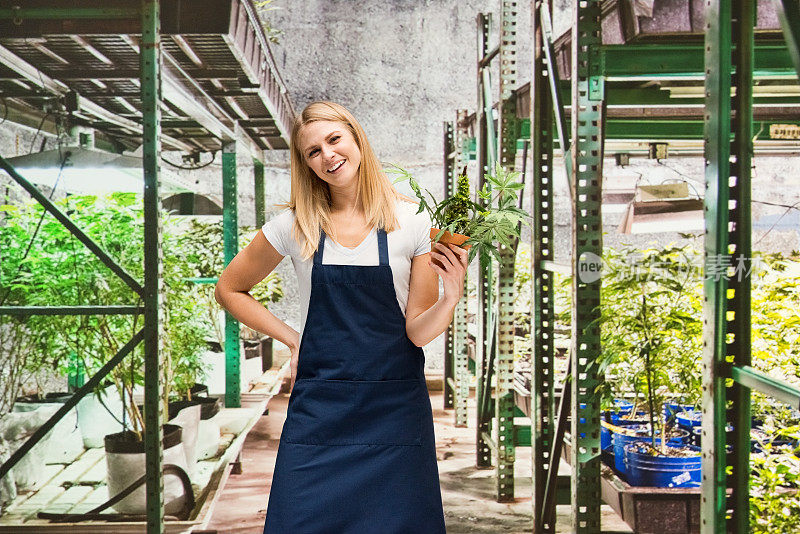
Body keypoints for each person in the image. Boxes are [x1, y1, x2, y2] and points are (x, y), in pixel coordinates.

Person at [214, 100, 467, 533]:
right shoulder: (295, 225)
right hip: (321, 405)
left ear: (356, 140)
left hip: (394, 409)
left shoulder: (412, 221)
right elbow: (229, 289)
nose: (328, 156)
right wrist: (294, 339)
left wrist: (451, 298)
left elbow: (417, 330)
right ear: (305, 164)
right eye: (313, 151)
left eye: (334, 140)